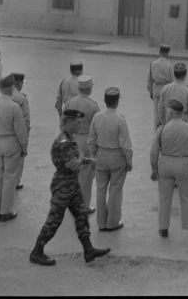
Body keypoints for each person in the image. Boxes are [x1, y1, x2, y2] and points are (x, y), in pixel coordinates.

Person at [29, 109, 111, 266]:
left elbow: (73, 161)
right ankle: (37, 251)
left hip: (71, 185)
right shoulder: (64, 142)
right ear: (68, 122)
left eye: (81, 122)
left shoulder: (69, 138)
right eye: (77, 122)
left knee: (81, 215)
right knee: (54, 220)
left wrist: (87, 160)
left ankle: (88, 250)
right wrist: (82, 158)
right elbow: (72, 164)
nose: (81, 125)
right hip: (63, 186)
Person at [150, 99, 188, 240]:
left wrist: (154, 169)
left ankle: (163, 227)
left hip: (165, 164)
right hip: (184, 164)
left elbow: (153, 152)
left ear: (170, 112)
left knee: (164, 197)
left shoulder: (161, 129)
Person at [88, 87, 133, 232]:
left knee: (100, 189)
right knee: (115, 190)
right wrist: (129, 160)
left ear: (105, 101)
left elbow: (91, 141)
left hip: (101, 155)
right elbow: (125, 144)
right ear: (117, 101)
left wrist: (94, 156)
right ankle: (112, 222)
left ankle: (101, 222)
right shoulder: (120, 119)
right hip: (117, 157)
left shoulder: (97, 117)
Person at [0, 74, 28, 222]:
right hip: (10, 144)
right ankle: (5, 211)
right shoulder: (14, 106)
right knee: (9, 178)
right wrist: (24, 148)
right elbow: (21, 131)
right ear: (8, 88)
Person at [64, 75, 100, 213]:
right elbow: (97, 128)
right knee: (86, 176)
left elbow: (63, 122)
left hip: (71, 139)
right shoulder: (93, 105)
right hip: (86, 141)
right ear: (89, 88)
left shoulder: (69, 102)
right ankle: (83, 205)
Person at [158, 62, 188, 127]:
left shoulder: (165, 88)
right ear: (185, 74)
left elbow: (160, 109)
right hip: (184, 124)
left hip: (169, 122)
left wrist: (164, 124)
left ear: (174, 74)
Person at [147, 44, 175, 129]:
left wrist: (151, 92)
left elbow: (150, 80)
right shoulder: (169, 65)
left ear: (159, 52)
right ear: (167, 53)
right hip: (166, 90)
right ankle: (165, 132)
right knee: (166, 114)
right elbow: (172, 81)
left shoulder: (153, 64)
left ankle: (156, 132)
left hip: (156, 89)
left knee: (157, 114)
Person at [11, 72, 30, 190]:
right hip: (16, 138)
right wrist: (24, 144)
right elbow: (25, 122)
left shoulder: (0, 96)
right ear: (19, 83)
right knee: (17, 163)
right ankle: (16, 183)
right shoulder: (21, 98)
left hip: (0, 137)